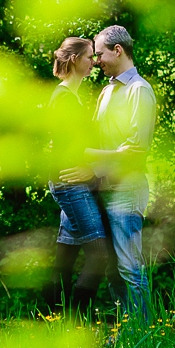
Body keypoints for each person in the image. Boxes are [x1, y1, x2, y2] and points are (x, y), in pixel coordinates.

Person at [60, 25, 156, 320]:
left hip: (126, 191)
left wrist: (91, 169)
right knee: (113, 269)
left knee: (129, 267)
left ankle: (143, 332)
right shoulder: (106, 91)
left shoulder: (139, 91)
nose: (96, 60)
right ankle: (128, 332)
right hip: (103, 190)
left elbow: (136, 152)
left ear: (118, 50)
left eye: (99, 54)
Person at [43, 36, 110, 318]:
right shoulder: (64, 98)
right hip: (70, 182)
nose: (94, 62)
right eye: (88, 57)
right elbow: (66, 146)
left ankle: (45, 318)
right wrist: (113, 155)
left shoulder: (69, 96)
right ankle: (76, 323)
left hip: (71, 179)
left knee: (66, 256)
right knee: (100, 256)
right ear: (74, 61)